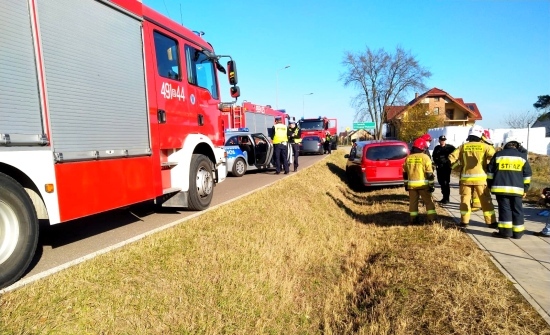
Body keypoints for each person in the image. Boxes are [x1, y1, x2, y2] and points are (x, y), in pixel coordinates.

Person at [448, 124, 497, 228]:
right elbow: (495, 158)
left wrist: (452, 166)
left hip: (466, 179)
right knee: (485, 201)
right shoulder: (486, 147)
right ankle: (491, 222)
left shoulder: (463, 146)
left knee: (465, 200)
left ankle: (464, 221)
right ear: (480, 135)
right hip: (481, 179)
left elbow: (451, 158)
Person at [487, 131, 532, 239]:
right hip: (517, 190)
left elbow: (490, 172)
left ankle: (505, 233)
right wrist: (525, 189)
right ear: (517, 144)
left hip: (500, 188)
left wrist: (490, 185)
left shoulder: (498, 155)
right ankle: (518, 233)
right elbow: (527, 174)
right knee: (517, 209)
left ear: (505, 143)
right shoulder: (522, 156)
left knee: (505, 209)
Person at [403, 137, 437, 224]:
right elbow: (429, 174)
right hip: (423, 186)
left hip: (411, 186)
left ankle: (413, 219)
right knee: (429, 202)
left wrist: (406, 185)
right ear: (423, 148)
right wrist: (431, 185)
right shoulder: (425, 157)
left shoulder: (408, 158)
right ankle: (431, 219)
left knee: (413, 203)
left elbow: (405, 174)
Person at [432, 135, 456, 204]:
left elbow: (456, 154)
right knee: (441, 182)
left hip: (446, 167)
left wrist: (451, 163)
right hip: (439, 167)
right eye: (441, 140)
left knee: (446, 183)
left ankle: (446, 198)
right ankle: (444, 197)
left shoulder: (450, 148)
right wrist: (436, 162)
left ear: (445, 140)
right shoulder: (437, 148)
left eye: (444, 140)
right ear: (439, 141)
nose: (442, 141)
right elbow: (434, 156)